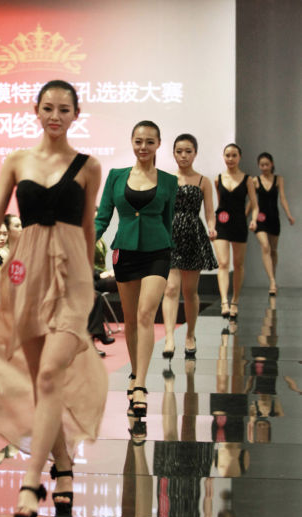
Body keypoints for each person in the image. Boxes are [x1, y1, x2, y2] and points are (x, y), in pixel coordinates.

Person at [0, 80, 107, 517]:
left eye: (64, 109)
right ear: (35, 110)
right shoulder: (17, 161)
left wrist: (89, 279)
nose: (55, 116)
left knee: (52, 373)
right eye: (48, 108)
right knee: (44, 383)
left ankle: (31, 482)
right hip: (26, 275)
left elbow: (87, 226)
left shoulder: (89, 166)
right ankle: (63, 466)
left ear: (76, 114)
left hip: (72, 278)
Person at [95, 120, 178, 418]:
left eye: (149, 142)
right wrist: (84, 243)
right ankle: (134, 373)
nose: (143, 147)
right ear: (132, 142)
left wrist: (168, 249)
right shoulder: (116, 176)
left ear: (158, 144)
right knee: (131, 319)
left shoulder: (169, 181)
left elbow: (168, 220)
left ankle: (140, 384)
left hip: (158, 252)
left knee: (145, 315)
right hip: (126, 251)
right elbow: (102, 217)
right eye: (138, 141)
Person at [162, 134, 218, 359]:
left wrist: (212, 227)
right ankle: (168, 337)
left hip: (194, 235)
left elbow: (210, 212)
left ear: (195, 153)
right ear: (173, 153)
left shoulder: (203, 181)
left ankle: (190, 335)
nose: (183, 156)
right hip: (171, 235)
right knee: (170, 288)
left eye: (188, 151)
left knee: (190, 291)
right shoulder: (166, 179)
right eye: (179, 151)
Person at [213, 143, 258, 320]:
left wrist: (253, 219)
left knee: (238, 264)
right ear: (223, 157)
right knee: (223, 263)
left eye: (234, 155)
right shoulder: (218, 179)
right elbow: (220, 203)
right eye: (227, 155)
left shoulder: (247, 179)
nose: (230, 159)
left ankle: (235, 300)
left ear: (240, 157)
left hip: (239, 223)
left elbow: (254, 204)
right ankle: (224, 301)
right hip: (222, 223)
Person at [248, 152, 295, 296]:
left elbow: (283, 198)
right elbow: (252, 201)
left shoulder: (278, 179)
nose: (264, 167)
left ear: (272, 164)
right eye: (261, 165)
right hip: (260, 218)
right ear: (258, 166)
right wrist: (245, 216)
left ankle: (272, 278)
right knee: (265, 246)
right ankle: (272, 282)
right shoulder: (255, 180)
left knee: (273, 250)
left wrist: (289, 215)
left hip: (274, 218)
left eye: (266, 164)